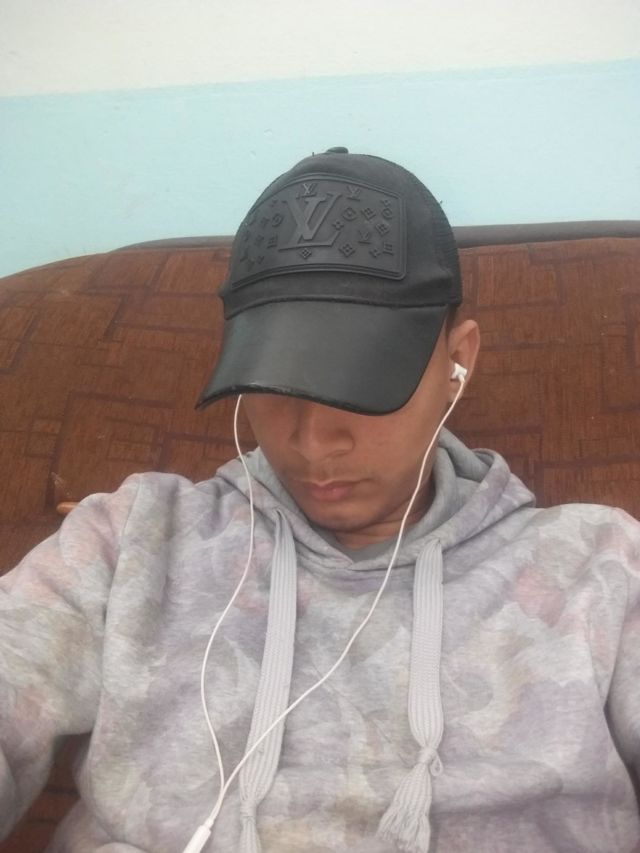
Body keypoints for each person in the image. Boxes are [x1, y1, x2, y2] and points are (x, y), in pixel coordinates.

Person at [0, 148, 639, 853]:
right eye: (277, 384)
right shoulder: (133, 537)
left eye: (363, 384)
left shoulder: (598, 566)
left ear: (458, 361)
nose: (311, 441)